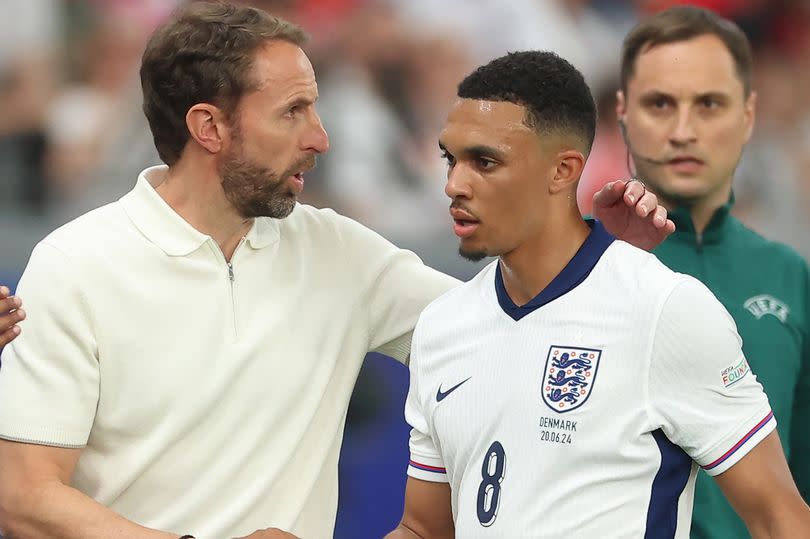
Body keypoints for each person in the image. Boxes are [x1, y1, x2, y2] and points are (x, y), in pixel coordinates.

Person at [0, 3, 671, 538]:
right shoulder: (76, 264)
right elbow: (26, 497)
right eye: (293, 111)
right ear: (209, 127)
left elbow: (507, 338)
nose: (320, 136)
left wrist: (594, 263)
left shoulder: (340, 252)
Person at [385, 50, 810, 539]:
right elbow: (423, 530)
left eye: (485, 161)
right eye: (450, 159)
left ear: (563, 171)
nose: (454, 184)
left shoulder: (664, 308)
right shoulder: (442, 325)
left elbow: (779, 517)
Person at [615, 6, 810, 538]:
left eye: (709, 105)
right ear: (622, 112)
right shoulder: (567, 264)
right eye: (659, 104)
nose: (683, 130)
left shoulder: (791, 277)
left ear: (748, 115)